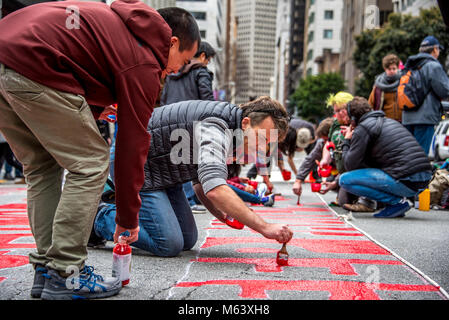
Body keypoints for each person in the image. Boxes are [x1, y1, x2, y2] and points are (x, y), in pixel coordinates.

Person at [0, 0, 200, 299]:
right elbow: (132, 142)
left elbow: (77, 59)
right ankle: (66, 271)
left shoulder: (124, 27)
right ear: (172, 43)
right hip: (33, 63)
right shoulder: (147, 58)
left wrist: (93, 106)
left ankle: (48, 269)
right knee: (92, 163)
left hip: (10, 56)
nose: (176, 70)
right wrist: (128, 217)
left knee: (42, 168)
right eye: (183, 61)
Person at [92, 97, 294, 257]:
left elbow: (201, 182)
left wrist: (220, 213)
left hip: (163, 173)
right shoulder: (217, 127)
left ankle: (129, 212)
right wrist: (265, 227)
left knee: (188, 240)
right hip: (134, 164)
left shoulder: (232, 130)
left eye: (269, 143)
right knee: (168, 244)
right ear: (246, 122)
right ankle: (100, 219)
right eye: (263, 138)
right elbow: (215, 188)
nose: (263, 147)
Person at [339, 97, 432, 218]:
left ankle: (397, 202)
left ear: (353, 118)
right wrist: (357, 135)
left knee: (345, 180)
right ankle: (397, 202)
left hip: (406, 180)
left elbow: (350, 165)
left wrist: (347, 140)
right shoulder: (387, 121)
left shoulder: (364, 128)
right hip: (423, 179)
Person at [160, 41, 217, 213]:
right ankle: (188, 200)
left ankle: (181, 200)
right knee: (188, 161)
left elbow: (164, 97)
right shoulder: (201, 72)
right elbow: (207, 99)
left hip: (169, 118)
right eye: (208, 60)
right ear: (202, 56)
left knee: (176, 161)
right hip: (191, 120)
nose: (207, 63)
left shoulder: (172, 72)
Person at [402, 36, 449, 154]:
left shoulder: (410, 65)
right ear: (434, 49)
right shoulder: (433, 66)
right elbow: (444, 90)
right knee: (420, 156)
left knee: (409, 155)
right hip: (425, 117)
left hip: (407, 117)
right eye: (438, 50)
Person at [292, 117, 334, 201]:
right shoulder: (321, 142)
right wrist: (298, 180)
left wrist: (335, 183)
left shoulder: (343, 141)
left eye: (326, 139)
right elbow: (310, 160)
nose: (325, 142)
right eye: (323, 139)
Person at [368, 54, 402, 122]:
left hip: (402, 120)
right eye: (389, 69)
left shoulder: (403, 82)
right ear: (385, 69)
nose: (392, 71)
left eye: (394, 69)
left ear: (397, 68)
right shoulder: (378, 86)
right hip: (385, 122)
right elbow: (370, 104)